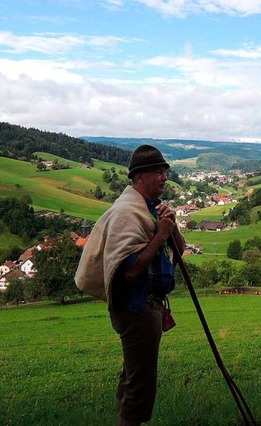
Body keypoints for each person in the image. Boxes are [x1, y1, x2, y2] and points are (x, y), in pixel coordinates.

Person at [75, 144, 184, 425]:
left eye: (164, 171)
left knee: (132, 376)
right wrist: (160, 236)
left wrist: (171, 226)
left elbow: (178, 249)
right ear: (139, 177)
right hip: (137, 309)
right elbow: (130, 271)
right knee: (139, 386)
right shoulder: (127, 213)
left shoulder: (148, 208)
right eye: (157, 172)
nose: (164, 177)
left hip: (148, 307)